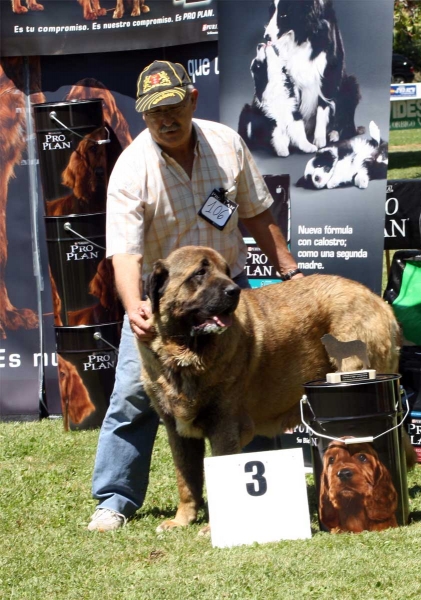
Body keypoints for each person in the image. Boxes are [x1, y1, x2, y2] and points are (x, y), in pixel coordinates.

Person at [88, 60, 303, 532]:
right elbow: (124, 254)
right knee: (130, 396)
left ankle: (259, 494)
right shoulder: (131, 170)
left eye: (172, 106)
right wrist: (134, 308)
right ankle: (115, 498)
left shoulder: (226, 144)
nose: (165, 119)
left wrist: (289, 270)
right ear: (142, 116)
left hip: (227, 294)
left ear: (193, 99)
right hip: (167, 307)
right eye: (152, 113)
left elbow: (257, 212)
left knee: (248, 383)